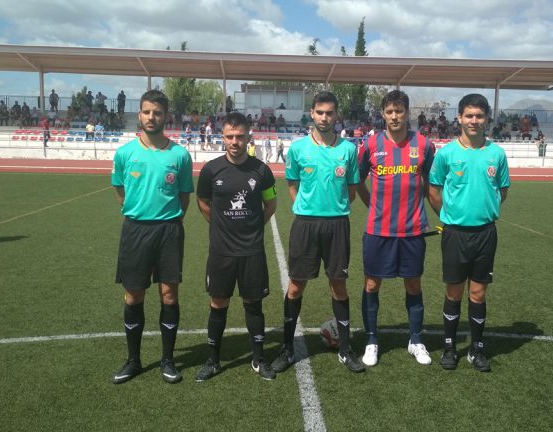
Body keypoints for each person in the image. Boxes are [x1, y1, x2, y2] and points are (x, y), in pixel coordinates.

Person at [271, 91, 365, 374]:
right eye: (320, 112)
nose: (325, 117)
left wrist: (332, 208)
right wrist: (308, 207)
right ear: (311, 113)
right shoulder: (298, 149)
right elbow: (292, 185)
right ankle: (288, 349)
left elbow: (351, 190)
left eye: (330, 113)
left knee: (338, 285)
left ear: (336, 116)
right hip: (306, 225)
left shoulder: (348, 150)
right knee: (296, 285)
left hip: (337, 224)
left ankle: (346, 350)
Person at [110, 90, 194, 385]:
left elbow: (184, 196)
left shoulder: (180, 155)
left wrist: (169, 219)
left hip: (169, 230)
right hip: (135, 230)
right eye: (146, 112)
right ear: (140, 114)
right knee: (134, 294)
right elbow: (120, 190)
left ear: (165, 116)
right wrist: (137, 211)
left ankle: (168, 360)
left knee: (169, 294)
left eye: (157, 113)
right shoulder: (124, 154)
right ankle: (133, 360)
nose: (151, 117)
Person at [427, 93, 510, 373]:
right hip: (455, 233)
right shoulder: (447, 154)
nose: (474, 121)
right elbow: (434, 190)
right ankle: (450, 348)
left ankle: (477, 349)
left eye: (479, 116)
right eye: (469, 116)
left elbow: (503, 190)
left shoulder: (496, 154)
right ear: (459, 118)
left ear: (486, 119)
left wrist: (483, 210)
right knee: (453, 292)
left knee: (478, 293)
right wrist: (450, 216)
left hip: (486, 233)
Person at [194, 112, 278, 381]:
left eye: (240, 136)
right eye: (230, 136)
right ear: (222, 136)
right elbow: (203, 202)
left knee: (253, 304)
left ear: (248, 136)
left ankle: (258, 358)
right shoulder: (211, 170)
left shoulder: (261, 171)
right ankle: (213, 360)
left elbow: (271, 204)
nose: (235, 141)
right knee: (218, 303)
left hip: (251, 251)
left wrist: (253, 228)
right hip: (221, 251)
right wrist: (220, 226)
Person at [356, 90, 434, 367]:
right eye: (389, 111)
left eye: (399, 111)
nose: (394, 116)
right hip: (378, 230)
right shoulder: (370, 144)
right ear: (383, 114)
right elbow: (358, 180)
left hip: (412, 230)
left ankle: (415, 340)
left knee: (413, 283)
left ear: (407, 113)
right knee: (371, 283)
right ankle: (372, 340)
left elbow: (429, 183)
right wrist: (373, 207)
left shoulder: (424, 145)